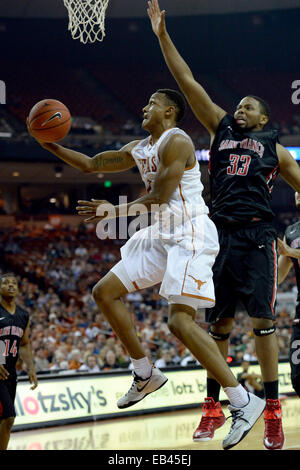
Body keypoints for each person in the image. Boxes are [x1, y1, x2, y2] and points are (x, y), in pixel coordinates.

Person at [28, 87, 265, 451]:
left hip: (190, 232)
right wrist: (49, 145)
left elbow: (160, 196)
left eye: (151, 103)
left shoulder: (177, 141)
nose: (143, 106)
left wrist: (114, 211)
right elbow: (92, 164)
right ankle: (144, 373)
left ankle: (242, 401)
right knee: (104, 291)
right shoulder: (140, 148)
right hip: (162, 232)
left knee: (179, 322)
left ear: (169, 111)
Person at [147, 0, 300, 450]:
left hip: (256, 238)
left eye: (248, 106)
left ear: (265, 118)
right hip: (217, 236)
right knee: (215, 329)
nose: (239, 108)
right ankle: (215, 408)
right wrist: (162, 36)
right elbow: (186, 81)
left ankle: (272, 413)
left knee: (264, 325)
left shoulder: (277, 147)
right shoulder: (221, 129)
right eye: (237, 104)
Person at [0, 273, 38, 451]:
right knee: (8, 417)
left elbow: (24, 344)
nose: (10, 285)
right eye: (5, 283)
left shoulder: (23, 314)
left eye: (14, 283)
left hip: (10, 373)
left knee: (4, 421)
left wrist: (31, 368)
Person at [278, 192, 300, 399]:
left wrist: (291, 252)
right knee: (298, 378)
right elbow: (278, 275)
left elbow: (288, 253)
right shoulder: (291, 231)